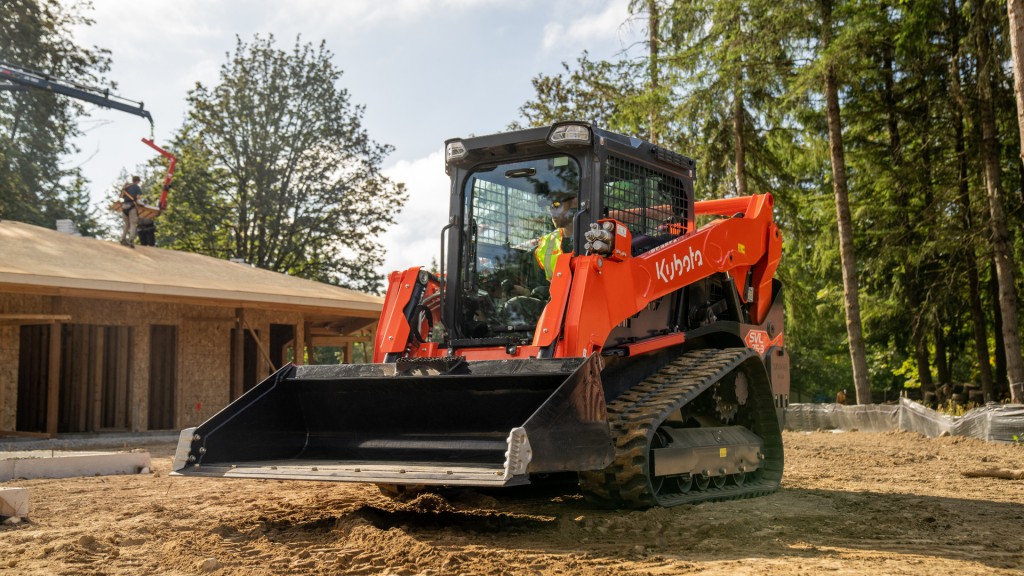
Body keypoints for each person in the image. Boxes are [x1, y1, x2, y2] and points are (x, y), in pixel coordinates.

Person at [534, 193, 577, 280]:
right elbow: (542, 284)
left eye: (557, 205)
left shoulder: (598, 237)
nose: (552, 211)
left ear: (576, 202)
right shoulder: (545, 244)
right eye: (550, 207)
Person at [120, 176, 142, 248]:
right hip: (132, 206)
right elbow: (138, 197)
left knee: (126, 224)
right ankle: (131, 240)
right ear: (138, 181)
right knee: (133, 224)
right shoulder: (137, 187)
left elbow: (122, 196)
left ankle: (122, 239)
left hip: (124, 206)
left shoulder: (126, 187)